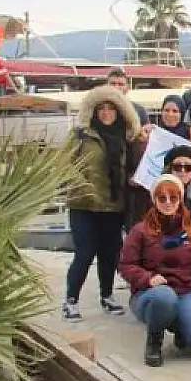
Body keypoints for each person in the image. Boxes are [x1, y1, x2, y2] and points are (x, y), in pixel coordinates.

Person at [118, 174, 191, 367]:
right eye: (162, 198)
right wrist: (148, 278)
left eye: (173, 198)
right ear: (154, 200)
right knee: (164, 297)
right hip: (151, 294)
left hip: (185, 291)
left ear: (180, 199)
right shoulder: (140, 231)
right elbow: (125, 266)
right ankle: (154, 341)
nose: (168, 202)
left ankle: (179, 325)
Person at [62, 85, 141, 322]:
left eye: (111, 108)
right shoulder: (80, 135)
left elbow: (131, 166)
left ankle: (107, 295)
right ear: (93, 112)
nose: (106, 113)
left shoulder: (124, 138)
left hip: (113, 206)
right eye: (101, 109)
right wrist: (82, 185)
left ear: (120, 112)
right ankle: (71, 300)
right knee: (84, 253)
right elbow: (62, 165)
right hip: (84, 204)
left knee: (110, 253)